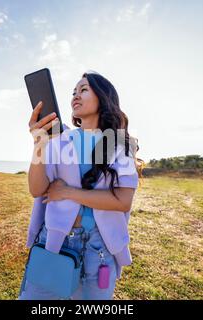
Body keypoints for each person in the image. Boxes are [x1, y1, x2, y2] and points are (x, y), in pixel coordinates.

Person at [19, 71, 144, 300]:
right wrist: (38, 144)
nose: (75, 96)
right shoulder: (58, 137)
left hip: (99, 250)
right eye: (73, 92)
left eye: (83, 90)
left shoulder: (118, 143)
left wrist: (67, 192)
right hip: (54, 241)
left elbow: (122, 201)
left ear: (104, 98)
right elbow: (37, 190)